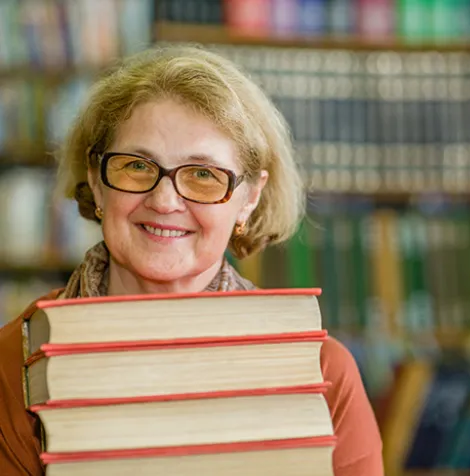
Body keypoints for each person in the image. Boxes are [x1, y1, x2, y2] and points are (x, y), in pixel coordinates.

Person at [0, 45, 384, 475]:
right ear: (96, 178)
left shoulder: (323, 372)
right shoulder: (14, 364)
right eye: (136, 166)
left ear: (249, 198)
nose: (164, 201)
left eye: (203, 174)